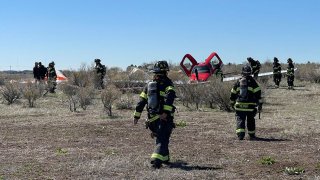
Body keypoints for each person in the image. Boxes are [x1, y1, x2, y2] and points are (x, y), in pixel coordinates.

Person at [133, 60, 176, 169]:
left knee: (162, 137)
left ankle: (165, 158)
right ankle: (156, 161)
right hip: (163, 118)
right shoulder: (168, 83)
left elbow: (141, 101)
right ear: (166, 71)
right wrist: (165, 113)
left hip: (151, 119)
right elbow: (170, 97)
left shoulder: (148, 85)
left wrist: (136, 116)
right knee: (162, 138)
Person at [230, 64, 263, 140]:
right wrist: (259, 103)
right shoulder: (252, 82)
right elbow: (258, 92)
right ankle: (251, 135)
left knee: (240, 120)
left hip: (239, 106)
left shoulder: (238, 81)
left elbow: (233, 93)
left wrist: (232, 102)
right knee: (251, 120)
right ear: (250, 72)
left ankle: (240, 135)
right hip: (250, 107)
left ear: (242, 72)